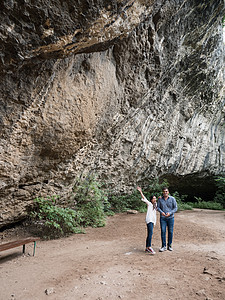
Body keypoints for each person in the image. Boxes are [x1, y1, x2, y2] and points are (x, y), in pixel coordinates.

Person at [137, 186, 157, 255]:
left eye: (155, 198)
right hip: (149, 221)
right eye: (153, 198)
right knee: (150, 234)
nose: (155, 199)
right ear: (151, 200)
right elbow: (144, 198)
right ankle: (149, 247)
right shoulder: (150, 204)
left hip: (153, 221)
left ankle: (146, 248)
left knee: (150, 234)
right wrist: (140, 192)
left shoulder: (155, 205)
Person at [157, 187, 177, 252]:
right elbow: (158, 207)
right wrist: (161, 212)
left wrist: (170, 213)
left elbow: (175, 208)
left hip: (171, 218)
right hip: (163, 218)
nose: (165, 192)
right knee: (163, 231)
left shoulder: (172, 199)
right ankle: (163, 246)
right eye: (164, 191)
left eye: (166, 191)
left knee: (170, 232)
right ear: (162, 192)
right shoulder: (160, 199)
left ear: (168, 192)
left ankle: (170, 245)